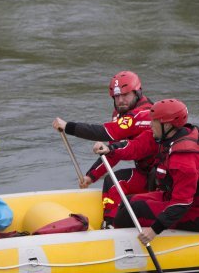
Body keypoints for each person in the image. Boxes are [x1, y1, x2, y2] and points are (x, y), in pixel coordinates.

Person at [92, 98, 199, 245]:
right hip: (182, 200)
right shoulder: (173, 135)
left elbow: (181, 204)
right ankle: (113, 232)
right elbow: (136, 146)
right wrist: (110, 149)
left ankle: (114, 247)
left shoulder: (184, 159)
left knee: (133, 210)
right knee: (129, 201)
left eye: (154, 122)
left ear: (168, 124)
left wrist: (154, 230)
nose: (151, 125)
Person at [52, 70, 156, 226]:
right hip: (146, 172)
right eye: (116, 97)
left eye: (125, 95)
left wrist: (68, 127)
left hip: (162, 177)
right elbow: (114, 151)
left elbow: (105, 132)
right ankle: (110, 225)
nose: (120, 100)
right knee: (112, 182)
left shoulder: (143, 114)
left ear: (137, 92)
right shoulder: (121, 113)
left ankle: (115, 229)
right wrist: (91, 176)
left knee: (116, 181)